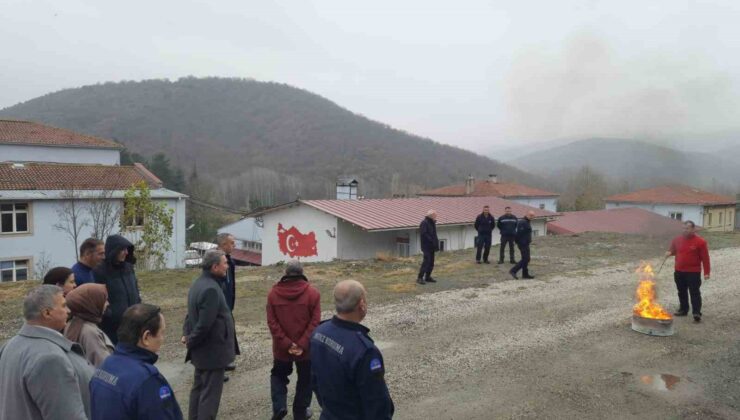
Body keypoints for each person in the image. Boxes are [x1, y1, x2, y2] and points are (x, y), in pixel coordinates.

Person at [0, 285, 94, 420]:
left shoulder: (10, 345)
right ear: (47, 313)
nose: (68, 311)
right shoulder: (50, 359)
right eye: (63, 306)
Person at [310, 280, 394, 419]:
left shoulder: (319, 332)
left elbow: (314, 380)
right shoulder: (365, 351)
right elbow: (377, 403)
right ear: (361, 304)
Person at [90, 303, 183, 420]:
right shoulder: (147, 380)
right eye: (162, 333)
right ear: (146, 337)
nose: (162, 339)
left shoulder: (105, 366)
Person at [182, 249, 236, 420]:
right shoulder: (211, 289)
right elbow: (205, 325)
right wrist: (190, 339)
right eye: (224, 263)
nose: (227, 266)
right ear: (214, 267)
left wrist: (187, 335)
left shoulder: (198, 283)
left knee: (198, 390)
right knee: (209, 398)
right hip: (212, 353)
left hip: (202, 352)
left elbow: (190, 316)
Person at [266, 260, 321, 420]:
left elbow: (272, 322)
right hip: (306, 348)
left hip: (281, 348)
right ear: (302, 272)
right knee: (306, 379)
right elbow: (315, 321)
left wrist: (287, 344)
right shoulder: (313, 293)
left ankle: (279, 407)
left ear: (285, 274)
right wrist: (302, 343)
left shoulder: (273, 294)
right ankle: (300, 412)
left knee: (278, 375)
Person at [94, 234, 141, 344]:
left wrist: (139, 310)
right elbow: (99, 299)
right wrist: (111, 316)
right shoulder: (99, 271)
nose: (126, 252)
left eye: (127, 249)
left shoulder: (129, 268)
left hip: (133, 325)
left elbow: (136, 291)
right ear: (114, 250)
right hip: (112, 329)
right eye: (122, 249)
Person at [665, 220, 710, 323]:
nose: (685, 230)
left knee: (694, 292)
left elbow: (705, 259)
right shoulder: (676, 240)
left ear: (693, 229)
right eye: (683, 228)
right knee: (681, 291)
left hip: (693, 272)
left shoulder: (700, 242)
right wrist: (669, 253)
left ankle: (696, 313)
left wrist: (707, 273)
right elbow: (673, 251)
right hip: (679, 271)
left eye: (687, 228)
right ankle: (683, 309)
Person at [215, 232, 247, 372]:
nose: (234, 246)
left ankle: (226, 358)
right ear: (223, 245)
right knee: (222, 331)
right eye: (232, 243)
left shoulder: (228, 260)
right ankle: (221, 361)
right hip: (220, 303)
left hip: (227, 302)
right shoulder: (216, 261)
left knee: (228, 329)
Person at [64, 283, 115, 367]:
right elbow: (104, 366)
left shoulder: (73, 323)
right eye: (104, 300)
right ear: (91, 303)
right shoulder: (89, 332)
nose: (107, 303)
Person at [510, 211, 535, 280]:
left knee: (526, 259)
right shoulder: (522, 222)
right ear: (526, 214)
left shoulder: (527, 222)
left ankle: (525, 274)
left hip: (526, 243)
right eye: (530, 215)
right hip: (522, 243)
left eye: (533, 215)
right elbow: (518, 233)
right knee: (526, 259)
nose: (532, 217)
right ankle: (513, 270)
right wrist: (517, 242)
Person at [417, 209, 439, 285]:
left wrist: (435, 243)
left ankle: (428, 277)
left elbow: (434, 234)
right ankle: (420, 278)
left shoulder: (432, 223)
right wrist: (431, 240)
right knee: (426, 261)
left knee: (431, 262)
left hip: (432, 246)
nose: (436, 216)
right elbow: (424, 234)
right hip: (426, 246)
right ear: (431, 215)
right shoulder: (424, 223)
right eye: (435, 215)